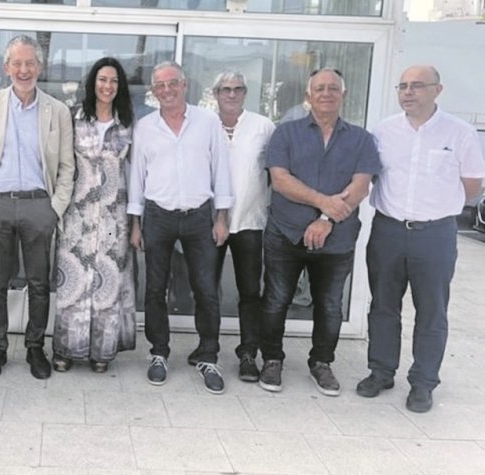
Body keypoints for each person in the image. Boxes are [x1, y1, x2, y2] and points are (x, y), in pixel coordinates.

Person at [357, 65, 485, 412]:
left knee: (431, 311)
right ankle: (381, 371)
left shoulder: (459, 133)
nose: (408, 92)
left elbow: (472, 185)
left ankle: (423, 383)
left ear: (437, 90)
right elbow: (369, 177)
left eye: (416, 86)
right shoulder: (383, 131)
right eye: (403, 86)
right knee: (383, 305)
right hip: (388, 230)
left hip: (435, 234)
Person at [258, 67, 380, 397]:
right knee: (275, 300)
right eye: (319, 88)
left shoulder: (361, 139)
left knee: (329, 305)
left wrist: (326, 217)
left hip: (337, 238)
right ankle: (271, 359)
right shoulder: (286, 133)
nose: (326, 93)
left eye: (333, 88)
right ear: (309, 96)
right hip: (285, 233)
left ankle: (321, 363)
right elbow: (280, 181)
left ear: (343, 95)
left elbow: (360, 186)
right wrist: (323, 200)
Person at [0, 35, 75, 381]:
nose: (23, 70)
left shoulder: (57, 110)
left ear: (39, 68)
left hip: (39, 206)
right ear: (6, 67)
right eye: (17, 63)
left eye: (30, 63)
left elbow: (67, 167)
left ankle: (34, 348)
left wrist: (54, 209)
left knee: (40, 284)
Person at [127, 61, 233, 393]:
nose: (167, 90)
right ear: (154, 91)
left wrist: (222, 217)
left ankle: (208, 355)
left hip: (200, 216)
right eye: (160, 85)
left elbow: (221, 169)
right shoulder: (145, 127)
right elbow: (136, 177)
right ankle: (158, 353)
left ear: (184, 85)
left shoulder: (207, 122)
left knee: (205, 289)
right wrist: (135, 223)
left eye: (172, 83)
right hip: (158, 215)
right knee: (155, 288)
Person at [52, 57, 137, 374]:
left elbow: (136, 173)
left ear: (120, 86)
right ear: (93, 83)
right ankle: (65, 349)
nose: (108, 86)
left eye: (114, 81)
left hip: (114, 218)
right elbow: (61, 164)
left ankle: (101, 351)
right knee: (72, 285)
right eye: (103, 79)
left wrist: (135, 220)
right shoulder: (74, 117)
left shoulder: (128, 122)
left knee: (107, 284)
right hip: (77, 216)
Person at [211, 71, 275, 382]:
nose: (231, 94)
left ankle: (249, 352)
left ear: (245, 92)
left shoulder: (263, 126)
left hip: (250, 221)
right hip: (210, 223)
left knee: (250, 291)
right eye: (225, 89)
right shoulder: (205, 125)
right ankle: (206, 348)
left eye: (237, 89)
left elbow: (278, 173)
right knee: (207, 290)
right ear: (216, 94)